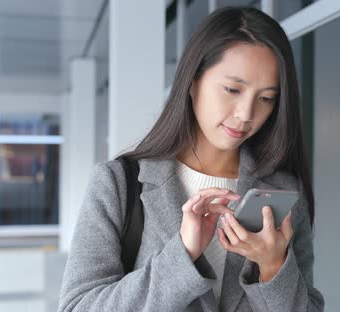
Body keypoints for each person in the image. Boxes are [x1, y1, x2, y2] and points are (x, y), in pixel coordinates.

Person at [57, 6, 324, 312]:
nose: (246, 114)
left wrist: (273, 266)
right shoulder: (118, 183)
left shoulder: (284, 193)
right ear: (193, 81)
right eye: (232, 89)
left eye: (266, 98)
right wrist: (182, 254)